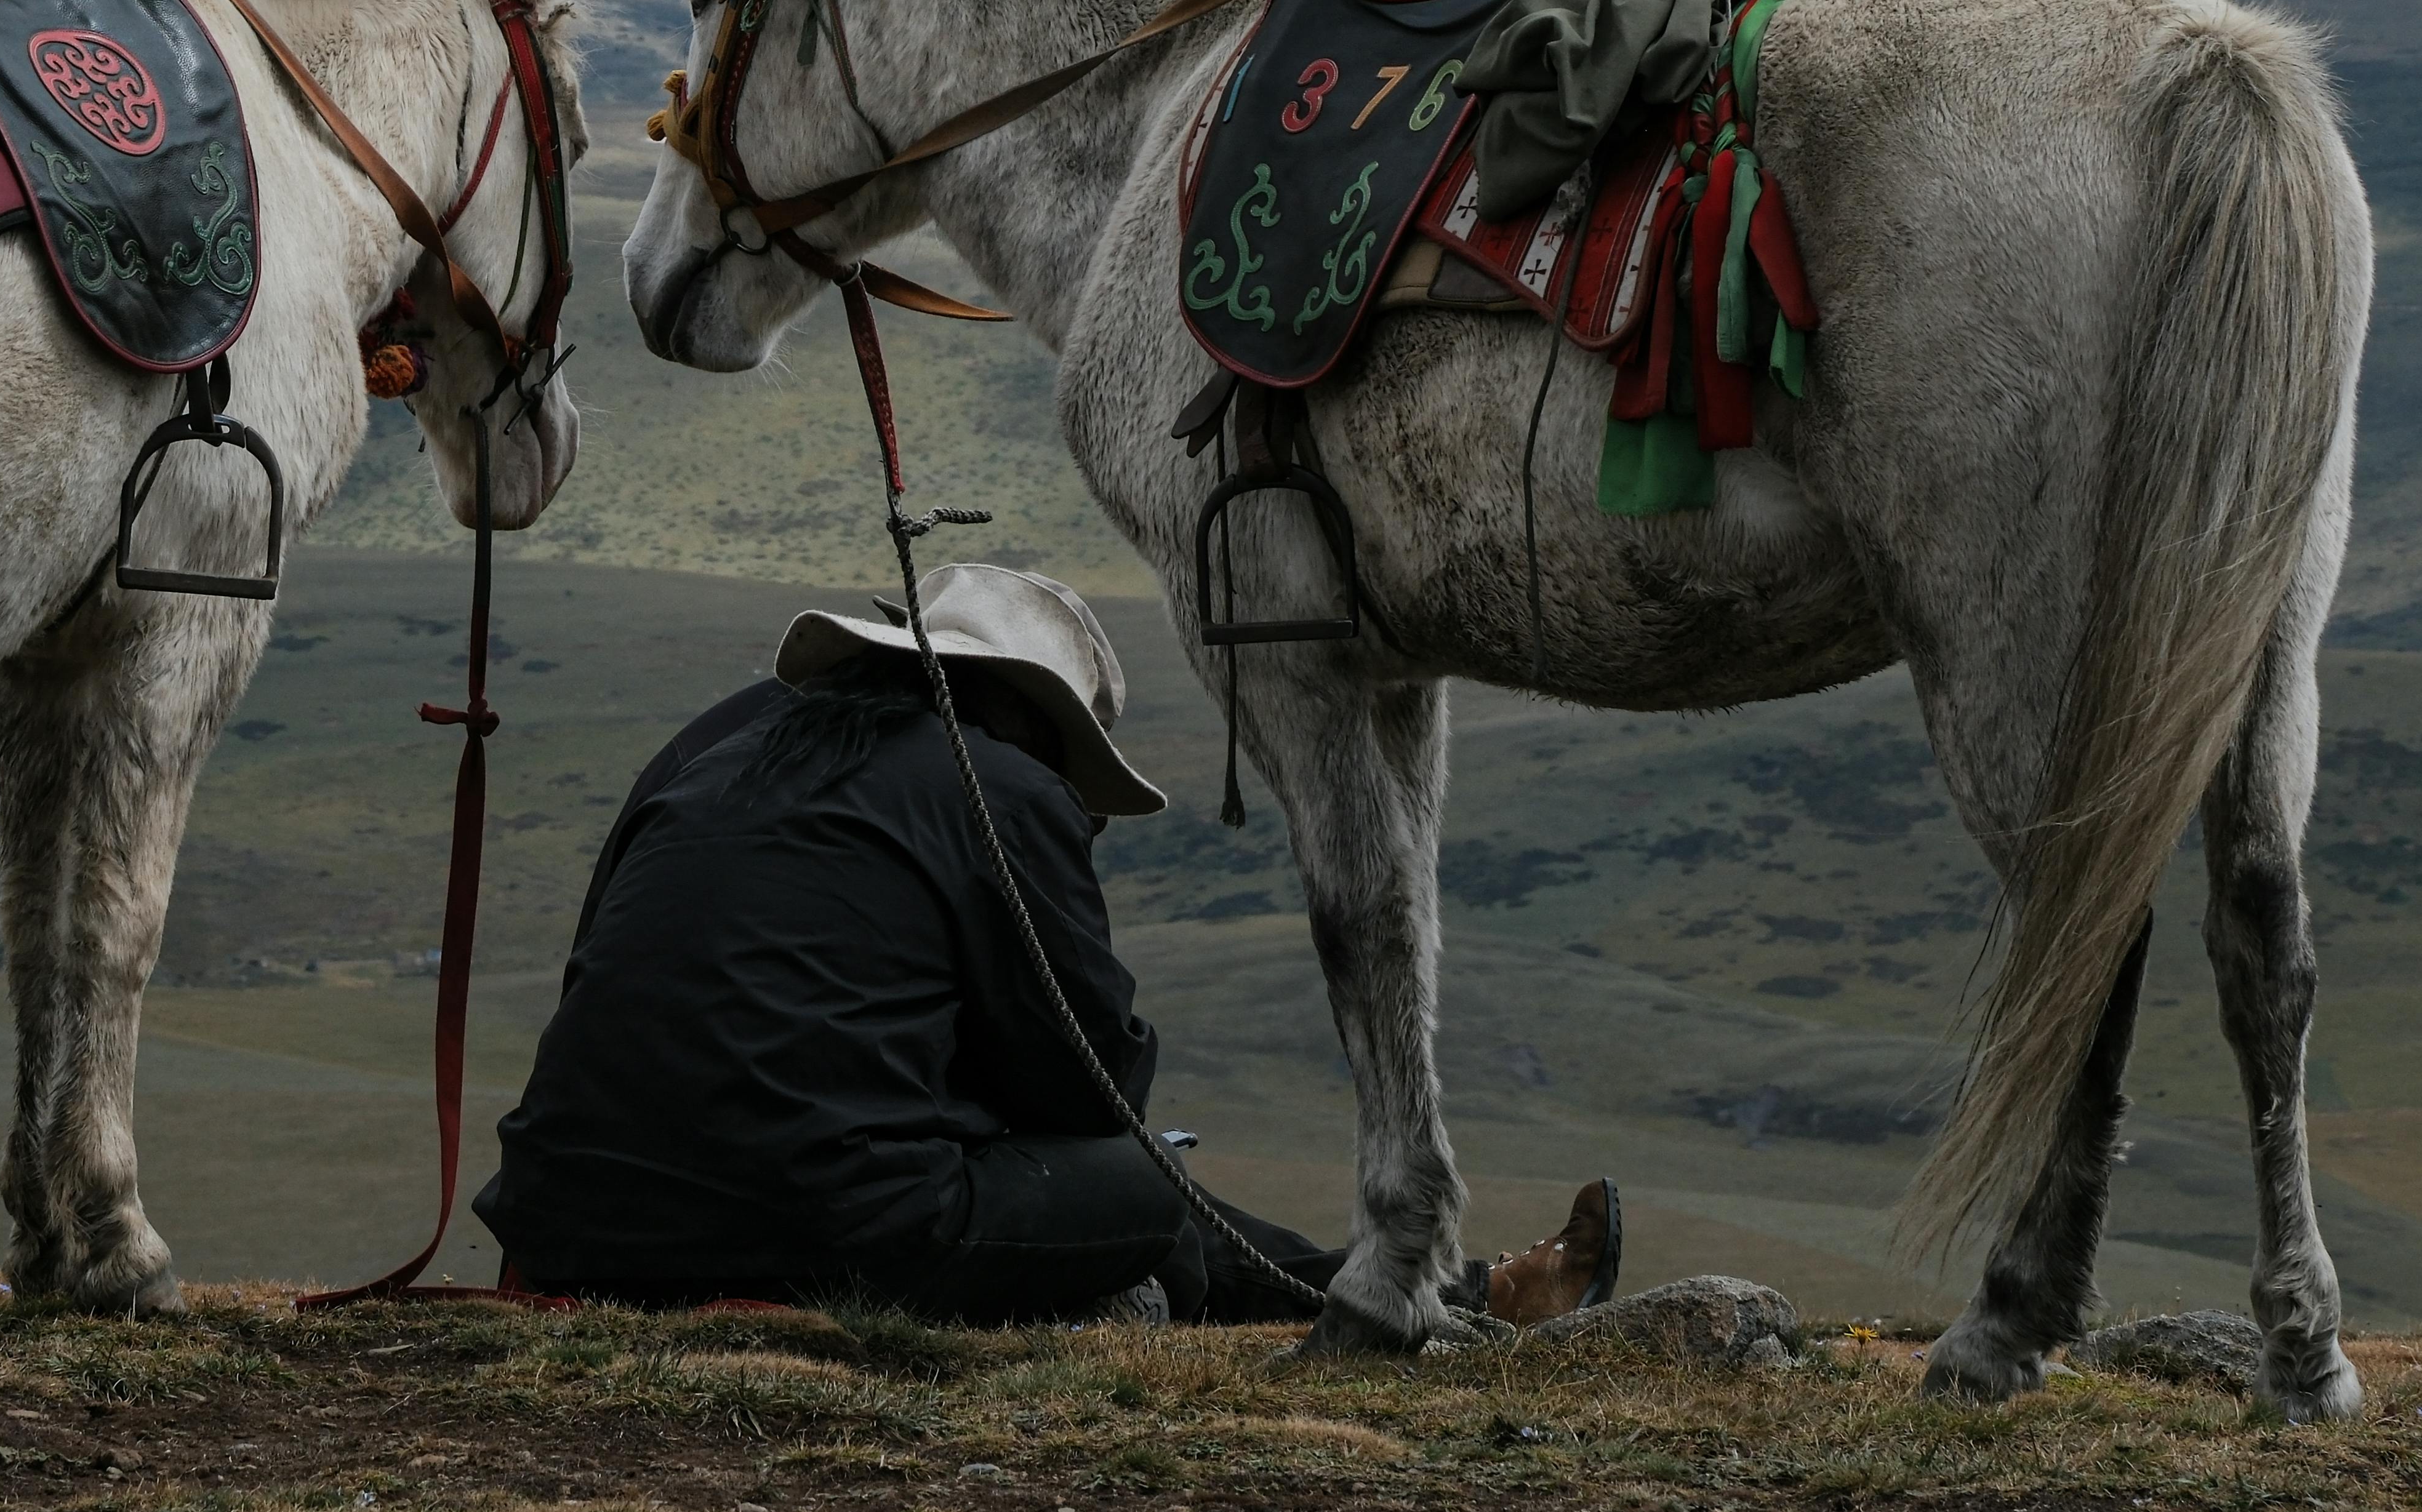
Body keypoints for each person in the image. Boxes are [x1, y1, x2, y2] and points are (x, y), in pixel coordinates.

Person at [475, 559, 1621, 1327]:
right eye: (1071, 767)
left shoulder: (714, 740)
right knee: (1144, 1187)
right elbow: (1094, 1091)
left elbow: (614, 979)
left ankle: (1442, 1294)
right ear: (1028, 717)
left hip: (570, 1225)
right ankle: (1434, 1303)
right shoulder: (1000, 785)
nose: (1070, 801)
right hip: (819, 1229)